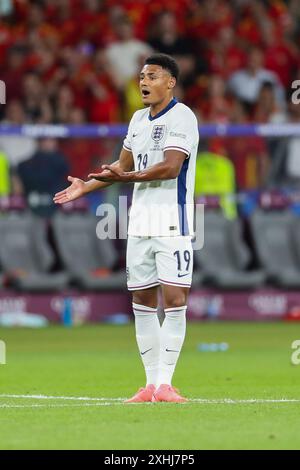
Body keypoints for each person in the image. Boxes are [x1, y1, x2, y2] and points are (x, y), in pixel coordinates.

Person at [54, 53, 199, 403]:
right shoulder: (136, 119)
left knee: (175, 300)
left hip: (173, 221)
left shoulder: (183, 117)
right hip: (139, 223)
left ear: (170, 82)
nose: (144, 82)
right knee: (143, 302)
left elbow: (170, 168)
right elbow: (122, 165)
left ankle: (166, 383)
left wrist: (127, 177)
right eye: (141, 77)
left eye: (152, 76)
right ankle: (150, 385)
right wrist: (85, 186)